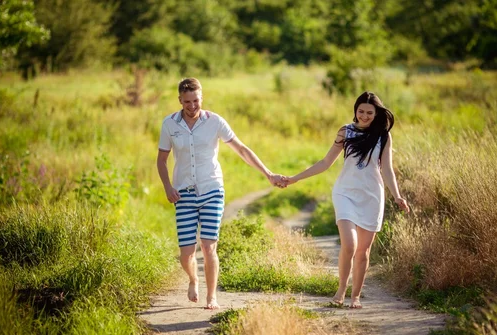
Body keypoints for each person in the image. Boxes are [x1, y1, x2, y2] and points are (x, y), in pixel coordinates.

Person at [157, 78, 283, 310]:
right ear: (179, 100)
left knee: (208, 246)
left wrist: (268, 173)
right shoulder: (169, 124)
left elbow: (242, 149)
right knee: (186, 254)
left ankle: (211, 296)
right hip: (182, 194)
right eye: (187, 102)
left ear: (201, 98)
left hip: (212, 189)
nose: (192, 106)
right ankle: (193, 279)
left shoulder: (214, 121)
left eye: (196, 100)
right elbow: (162, 160)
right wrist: (167, 187)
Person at [282, 91, 410, 308]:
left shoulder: (383, 136)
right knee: (349, 245)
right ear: (355, 111)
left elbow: (387, 169)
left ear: (376, 113)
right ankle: (341, 290)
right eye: (361, 111)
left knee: (363, 252)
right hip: (345, 193)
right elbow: (325, 162)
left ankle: (356, 296)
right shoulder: (346, 132)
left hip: (372, 196)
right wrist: (295, 179)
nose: (364, 116)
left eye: (369, 112)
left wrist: (397, 195)